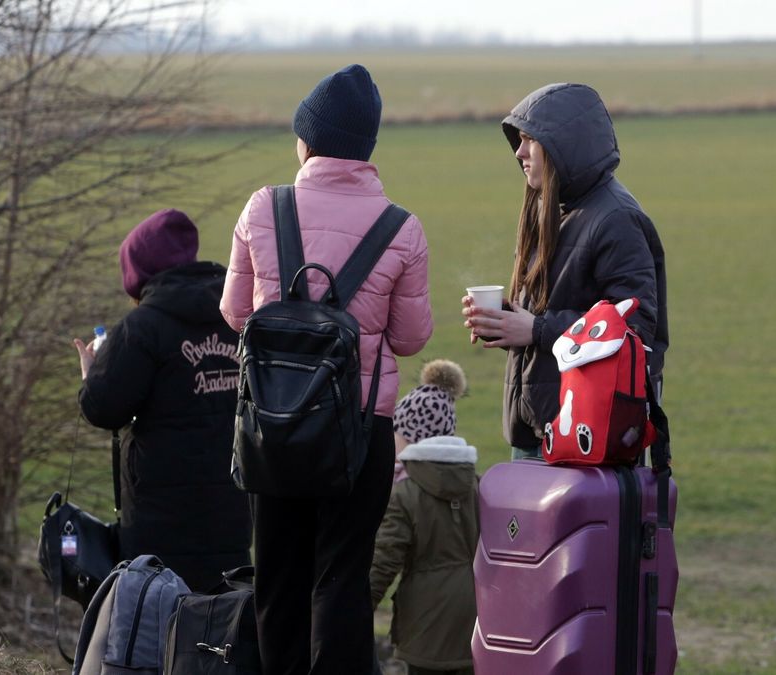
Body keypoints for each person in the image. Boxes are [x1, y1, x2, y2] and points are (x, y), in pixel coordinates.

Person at [219, 64, 433, 675]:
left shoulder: (264, 208)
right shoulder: (402, 228)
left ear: (307, 141)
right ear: (365, 148)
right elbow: (412, 339)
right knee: (341, 581)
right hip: (360, 433)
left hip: (272, 426)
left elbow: (236, 315)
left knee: (277, 579)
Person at [461, 83, 668, 460]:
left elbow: (634, 332)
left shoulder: (616, 220)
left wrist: (537, 330)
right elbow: (560, 311)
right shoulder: (553, 208)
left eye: (529, 140)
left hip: (587, 438)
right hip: (542, 430)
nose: (519, 152)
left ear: (565, 146)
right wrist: (510, 323)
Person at [74, 208, 251, 592]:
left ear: (138, 274)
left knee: (158, 621)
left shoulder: (141, 329)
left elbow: (103, 408)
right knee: (225, 621)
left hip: (159, 519)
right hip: (234, 505)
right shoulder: (238, 314)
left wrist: (91, 375)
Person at [370, 359, 477, 675]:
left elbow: (384, 560)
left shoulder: (404, 493)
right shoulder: (478, 485)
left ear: (411, 436)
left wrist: (356, 608)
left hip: (425, 626)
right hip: (476, 621)